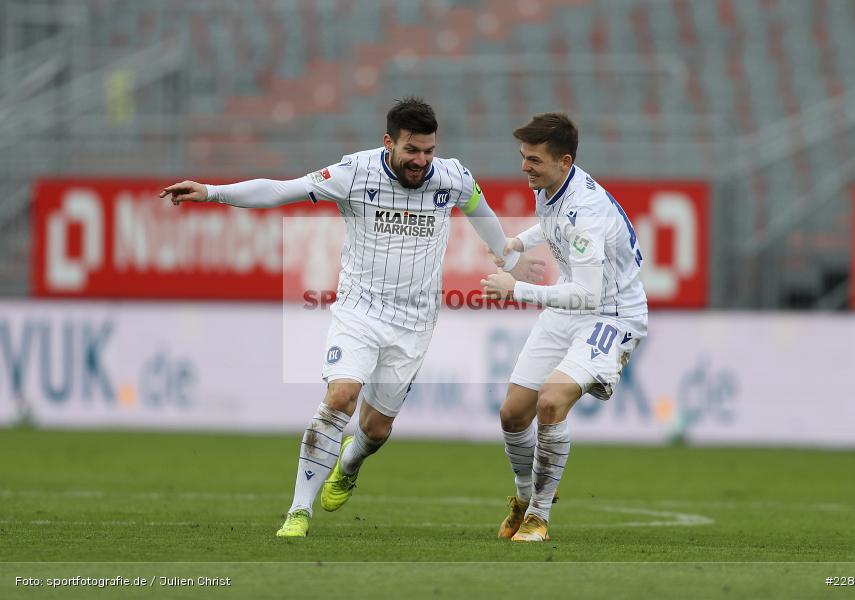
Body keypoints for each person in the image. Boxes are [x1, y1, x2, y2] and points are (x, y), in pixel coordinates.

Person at [160, 97, 544, 538]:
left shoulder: (453, 178)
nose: (421, 161)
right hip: (358, 312)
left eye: (428, 151)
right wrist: (212, 192)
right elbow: (280, 190)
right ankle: (298, 512)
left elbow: (482, 214)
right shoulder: (354, 173)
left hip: (415, 323)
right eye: (412, 151)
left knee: (376, 429)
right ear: (388, 143)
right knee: (341, 396)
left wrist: (510, 261)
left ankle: (349, 462)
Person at [482, 112, 648, 542]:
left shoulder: (587, 212)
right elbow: (556, 222)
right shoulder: (555, 183)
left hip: (609, 315)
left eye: (533, 160)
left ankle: (539, 516)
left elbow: (588, 295)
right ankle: (522, 497)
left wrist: (516, 288)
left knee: (551, 403)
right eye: (523, 157)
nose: (525, 167)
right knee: (512, 413)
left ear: (564, 160)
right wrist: (521, 241)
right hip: (567, 307)